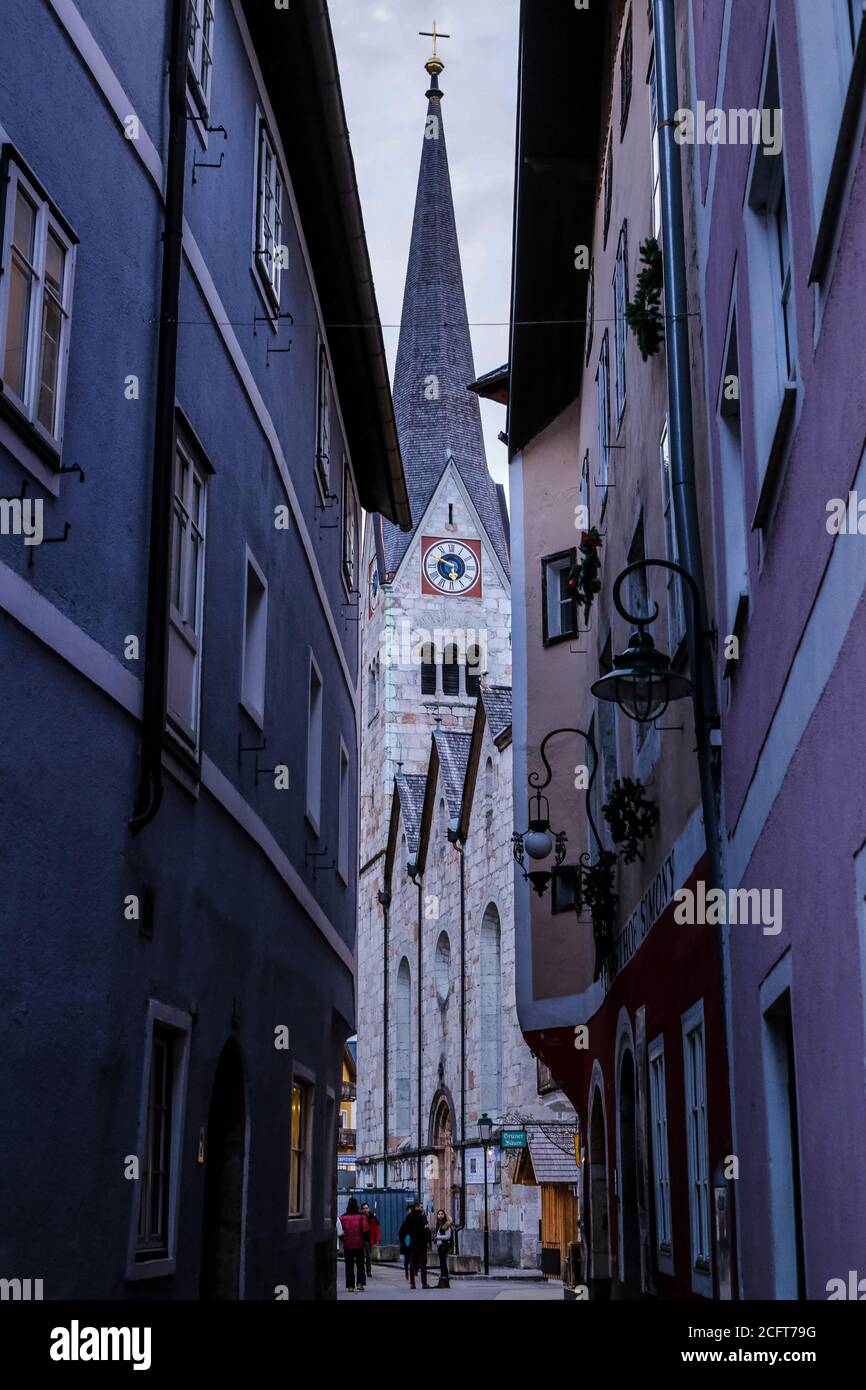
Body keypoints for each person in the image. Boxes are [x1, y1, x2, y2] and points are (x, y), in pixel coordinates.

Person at [399, 1202, 431, 1289]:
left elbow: (404, 1230)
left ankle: (412, 1283)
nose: (422, 1208)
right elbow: (426, 1229)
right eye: (421, 1207)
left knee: (412, 1263)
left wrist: (406, 1242)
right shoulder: (422, 1217)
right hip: (421, 1243)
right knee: (423, 1264)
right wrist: (428, 1240)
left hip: (412, 1244)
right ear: (417, 1207)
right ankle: (424, 1283)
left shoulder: (408, 1217)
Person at [339, 1198, 369, 1293]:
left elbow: (339, 1231)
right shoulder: (361, 1217)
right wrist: (364, 1240)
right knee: (360, 1265)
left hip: (348, 1245)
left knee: (349, 1266)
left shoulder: (342, 1218)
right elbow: (366, 1231)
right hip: (359, 1244)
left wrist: (344, 1240)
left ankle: (350, 1286)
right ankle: (360, 1284)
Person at [432, 1209, 455, 1288]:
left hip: (444, 1246)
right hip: (440, 1245)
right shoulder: (438, 1224)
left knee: (443, 1263)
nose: (440, 1215)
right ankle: (443, 1281)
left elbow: (448, 1236)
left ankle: (445, 1280)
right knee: (442, 1263)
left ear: (444, 1215)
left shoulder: (446, 1224)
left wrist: (437, 1237)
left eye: (442, 1214)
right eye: (439, 1214)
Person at [360, 1202, 381, 1279]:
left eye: (366, 1208)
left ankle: (368, 1271)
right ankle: (361, 1270)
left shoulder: (373, 1218)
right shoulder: (359, 1217)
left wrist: (377, 1239)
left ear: (369, 1209)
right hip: (361, 1240)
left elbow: (377, 1229)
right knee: (361, 1256)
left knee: (368, 1256)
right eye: (364, 1208)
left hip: (369, 1240)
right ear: (361, 1210)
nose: (365, 1210)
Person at [400, 1202, 414, 1281]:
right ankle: (406, 1272)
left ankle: (413, 1271)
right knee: (407, 1258)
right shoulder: (405, 1222)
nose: (410, 1211)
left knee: (412, 1258)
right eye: (409, 1210)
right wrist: (403, 1241)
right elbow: (401, 1233)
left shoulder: (416, 1220)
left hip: (413, 1240)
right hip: (407, 1240)